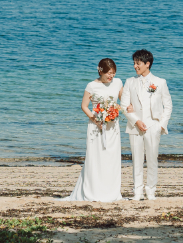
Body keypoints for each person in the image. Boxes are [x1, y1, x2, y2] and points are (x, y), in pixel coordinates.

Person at [64, 58, 124, 202]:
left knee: (111, 158)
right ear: (100, 71)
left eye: (113, 73)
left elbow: (124, 100)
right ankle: (94, 191)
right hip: (96, 126)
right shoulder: (91, 85)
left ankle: (111, 191)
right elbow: (84, 105)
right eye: (108, 73)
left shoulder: (118, 83)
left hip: (112, 126)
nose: (111, 77)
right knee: (95, 158)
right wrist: (95, 119)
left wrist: (118, 110)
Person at [120, 49, 172, 200]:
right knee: (136, 160)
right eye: (134, 63)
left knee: (152, 159)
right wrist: (136, 120)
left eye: (138, 63)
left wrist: (161, 126)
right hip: (135, 126)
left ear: (147, 64)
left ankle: (151, 191)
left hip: (153, 126)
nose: (135, 66)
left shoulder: (160, 82)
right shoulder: (130, 82)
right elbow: (123, 106)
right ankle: (137, 191)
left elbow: (168, 105)